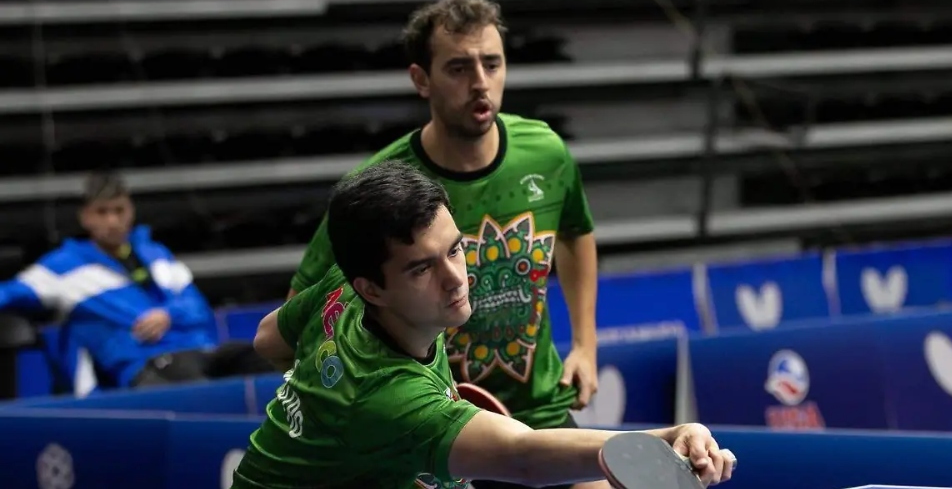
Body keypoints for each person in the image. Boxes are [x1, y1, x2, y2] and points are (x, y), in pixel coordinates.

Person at [234, 160, 735, 489]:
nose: (456, 279)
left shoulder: (346, 287)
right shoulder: (385, 397)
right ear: (373, 288)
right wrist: (667, 438)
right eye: (421, 268)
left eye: (454, 249)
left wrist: (331, 420)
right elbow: (524, 455)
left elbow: (267, 339)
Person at [283, 0, 604, 487]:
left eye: (491, 63)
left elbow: (577, 234)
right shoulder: (379, 188)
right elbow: (303, 313)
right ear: (421, 80)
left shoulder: (545, 151)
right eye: (458, 67)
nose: (480, 82)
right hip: (428, 423)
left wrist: (585, 343)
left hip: (535, 402)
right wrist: (378, 423)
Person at [0, 171, 272, 389]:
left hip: (202, 350)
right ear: (85, 217)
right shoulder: (61, 267)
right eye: (102, 212)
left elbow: (198, 308)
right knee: (212, 397)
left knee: (271, 364)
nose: (113, 220)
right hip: (148, 363)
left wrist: (167, 314)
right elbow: (9, 292)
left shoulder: (156, 254)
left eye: (119, 210)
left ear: (131, 210)